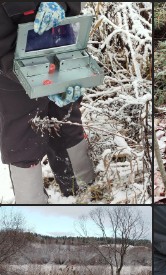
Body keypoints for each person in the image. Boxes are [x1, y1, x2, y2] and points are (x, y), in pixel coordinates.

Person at [0, 2, 95, 203]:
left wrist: (61, 3)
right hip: (10, 70)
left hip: (61, 46)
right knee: (22, 138)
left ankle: (86, 190)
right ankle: (31, 205)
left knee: (68, 121)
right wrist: (39, 83)